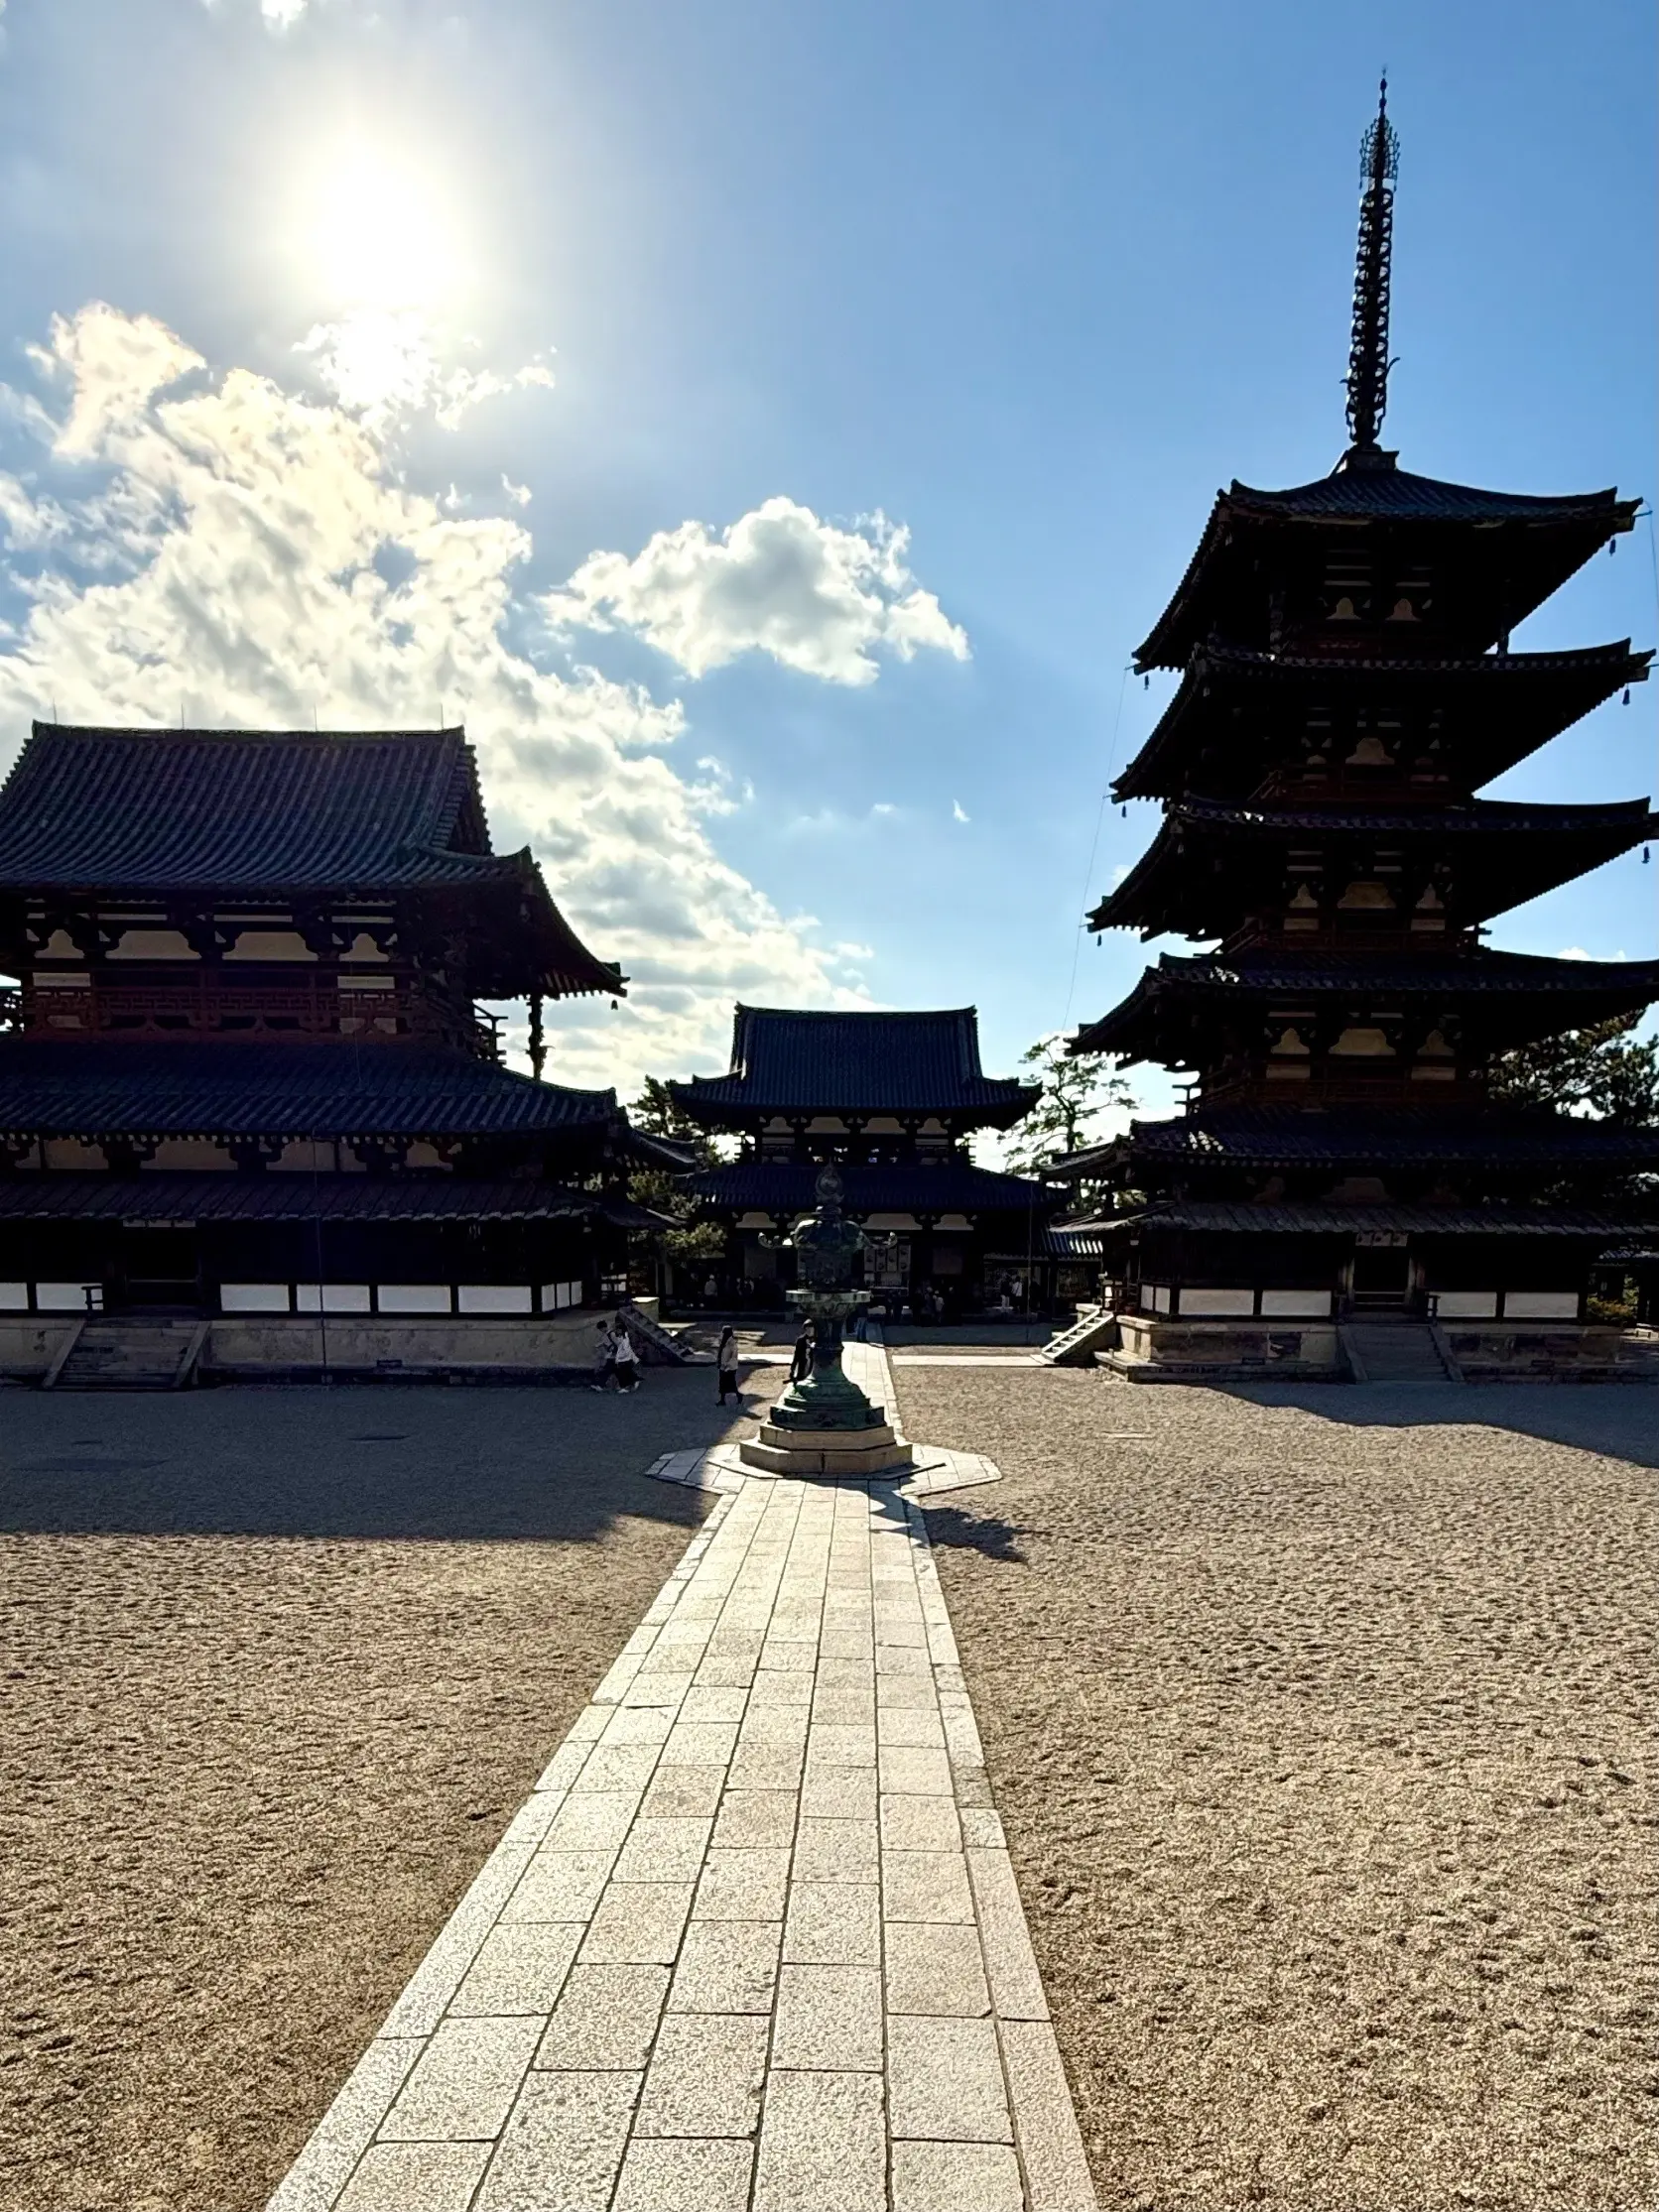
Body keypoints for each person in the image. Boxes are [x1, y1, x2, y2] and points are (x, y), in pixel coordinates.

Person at [588, 1320, 616, 1392]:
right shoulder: (607, 1334)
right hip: (612, 1356)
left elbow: (617, 1344)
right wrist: (597, 1345)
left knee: (607, 1370)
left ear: (604, 1327)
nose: (601, 1331)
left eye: (601, 1329)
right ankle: (599, 1385)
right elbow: (604, 1342)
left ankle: (600, 1385)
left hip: (615, 1356)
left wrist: (613, 1350)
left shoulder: (612, 1334)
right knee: (608, 1370)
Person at [716, 1325, 740, 1406]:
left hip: (730, 1368)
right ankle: (722, 1400)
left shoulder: (732, 1343)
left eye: (723, 1332)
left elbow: (733, 1357)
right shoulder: (723, 1341)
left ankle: (739, 1395)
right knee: (722, 1384)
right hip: (723, 1366)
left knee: (731, 1384)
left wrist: (728, 1366)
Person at [612, 1323, 640, 1394]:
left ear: (622, 1330)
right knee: (626, 1373)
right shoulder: (621, 1338)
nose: (617, 1331)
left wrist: (619, 1357)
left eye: (618, 1329)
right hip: (624, 1359)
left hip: (625, 1359)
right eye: (617, 1329)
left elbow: (626, 1351)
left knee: (623, 1373)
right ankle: (633, 1381)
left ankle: (625, 1387)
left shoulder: (625, 1339)